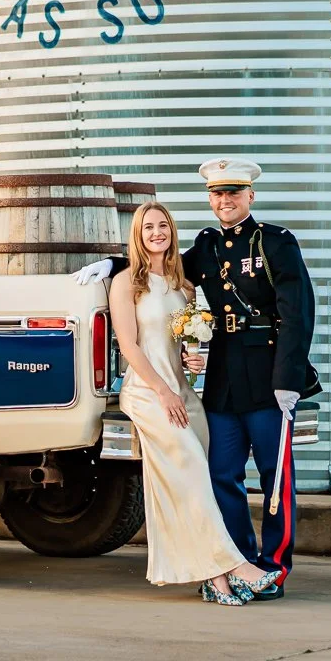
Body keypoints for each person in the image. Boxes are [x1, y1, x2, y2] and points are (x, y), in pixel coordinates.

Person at [79, 158, 319, 600]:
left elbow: (298, 313)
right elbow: (162, 269)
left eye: (233, 193)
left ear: (250, 196)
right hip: (225, 381)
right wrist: (112, 265)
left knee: (274, 478)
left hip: (269, 379)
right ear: (210, 200)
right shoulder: (208, 245)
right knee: (221, 474)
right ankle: (235, 559)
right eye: (217, 194)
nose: (225, 201)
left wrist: (289, 380)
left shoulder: (276, 243)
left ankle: (274, 568)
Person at [108, 198, 281, 604]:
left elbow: (180, 342)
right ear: (138, 234)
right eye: (148, 227)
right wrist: (164, 392)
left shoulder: (183, 286)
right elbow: (131, 347)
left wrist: (192, 359)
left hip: (182, 389)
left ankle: (212, 576)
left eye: (162, 226)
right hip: (148, 392)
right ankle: (235, 566)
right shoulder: (126, 283)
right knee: (187, 463)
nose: (156, 233)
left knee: (199, 474)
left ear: (171, 232)